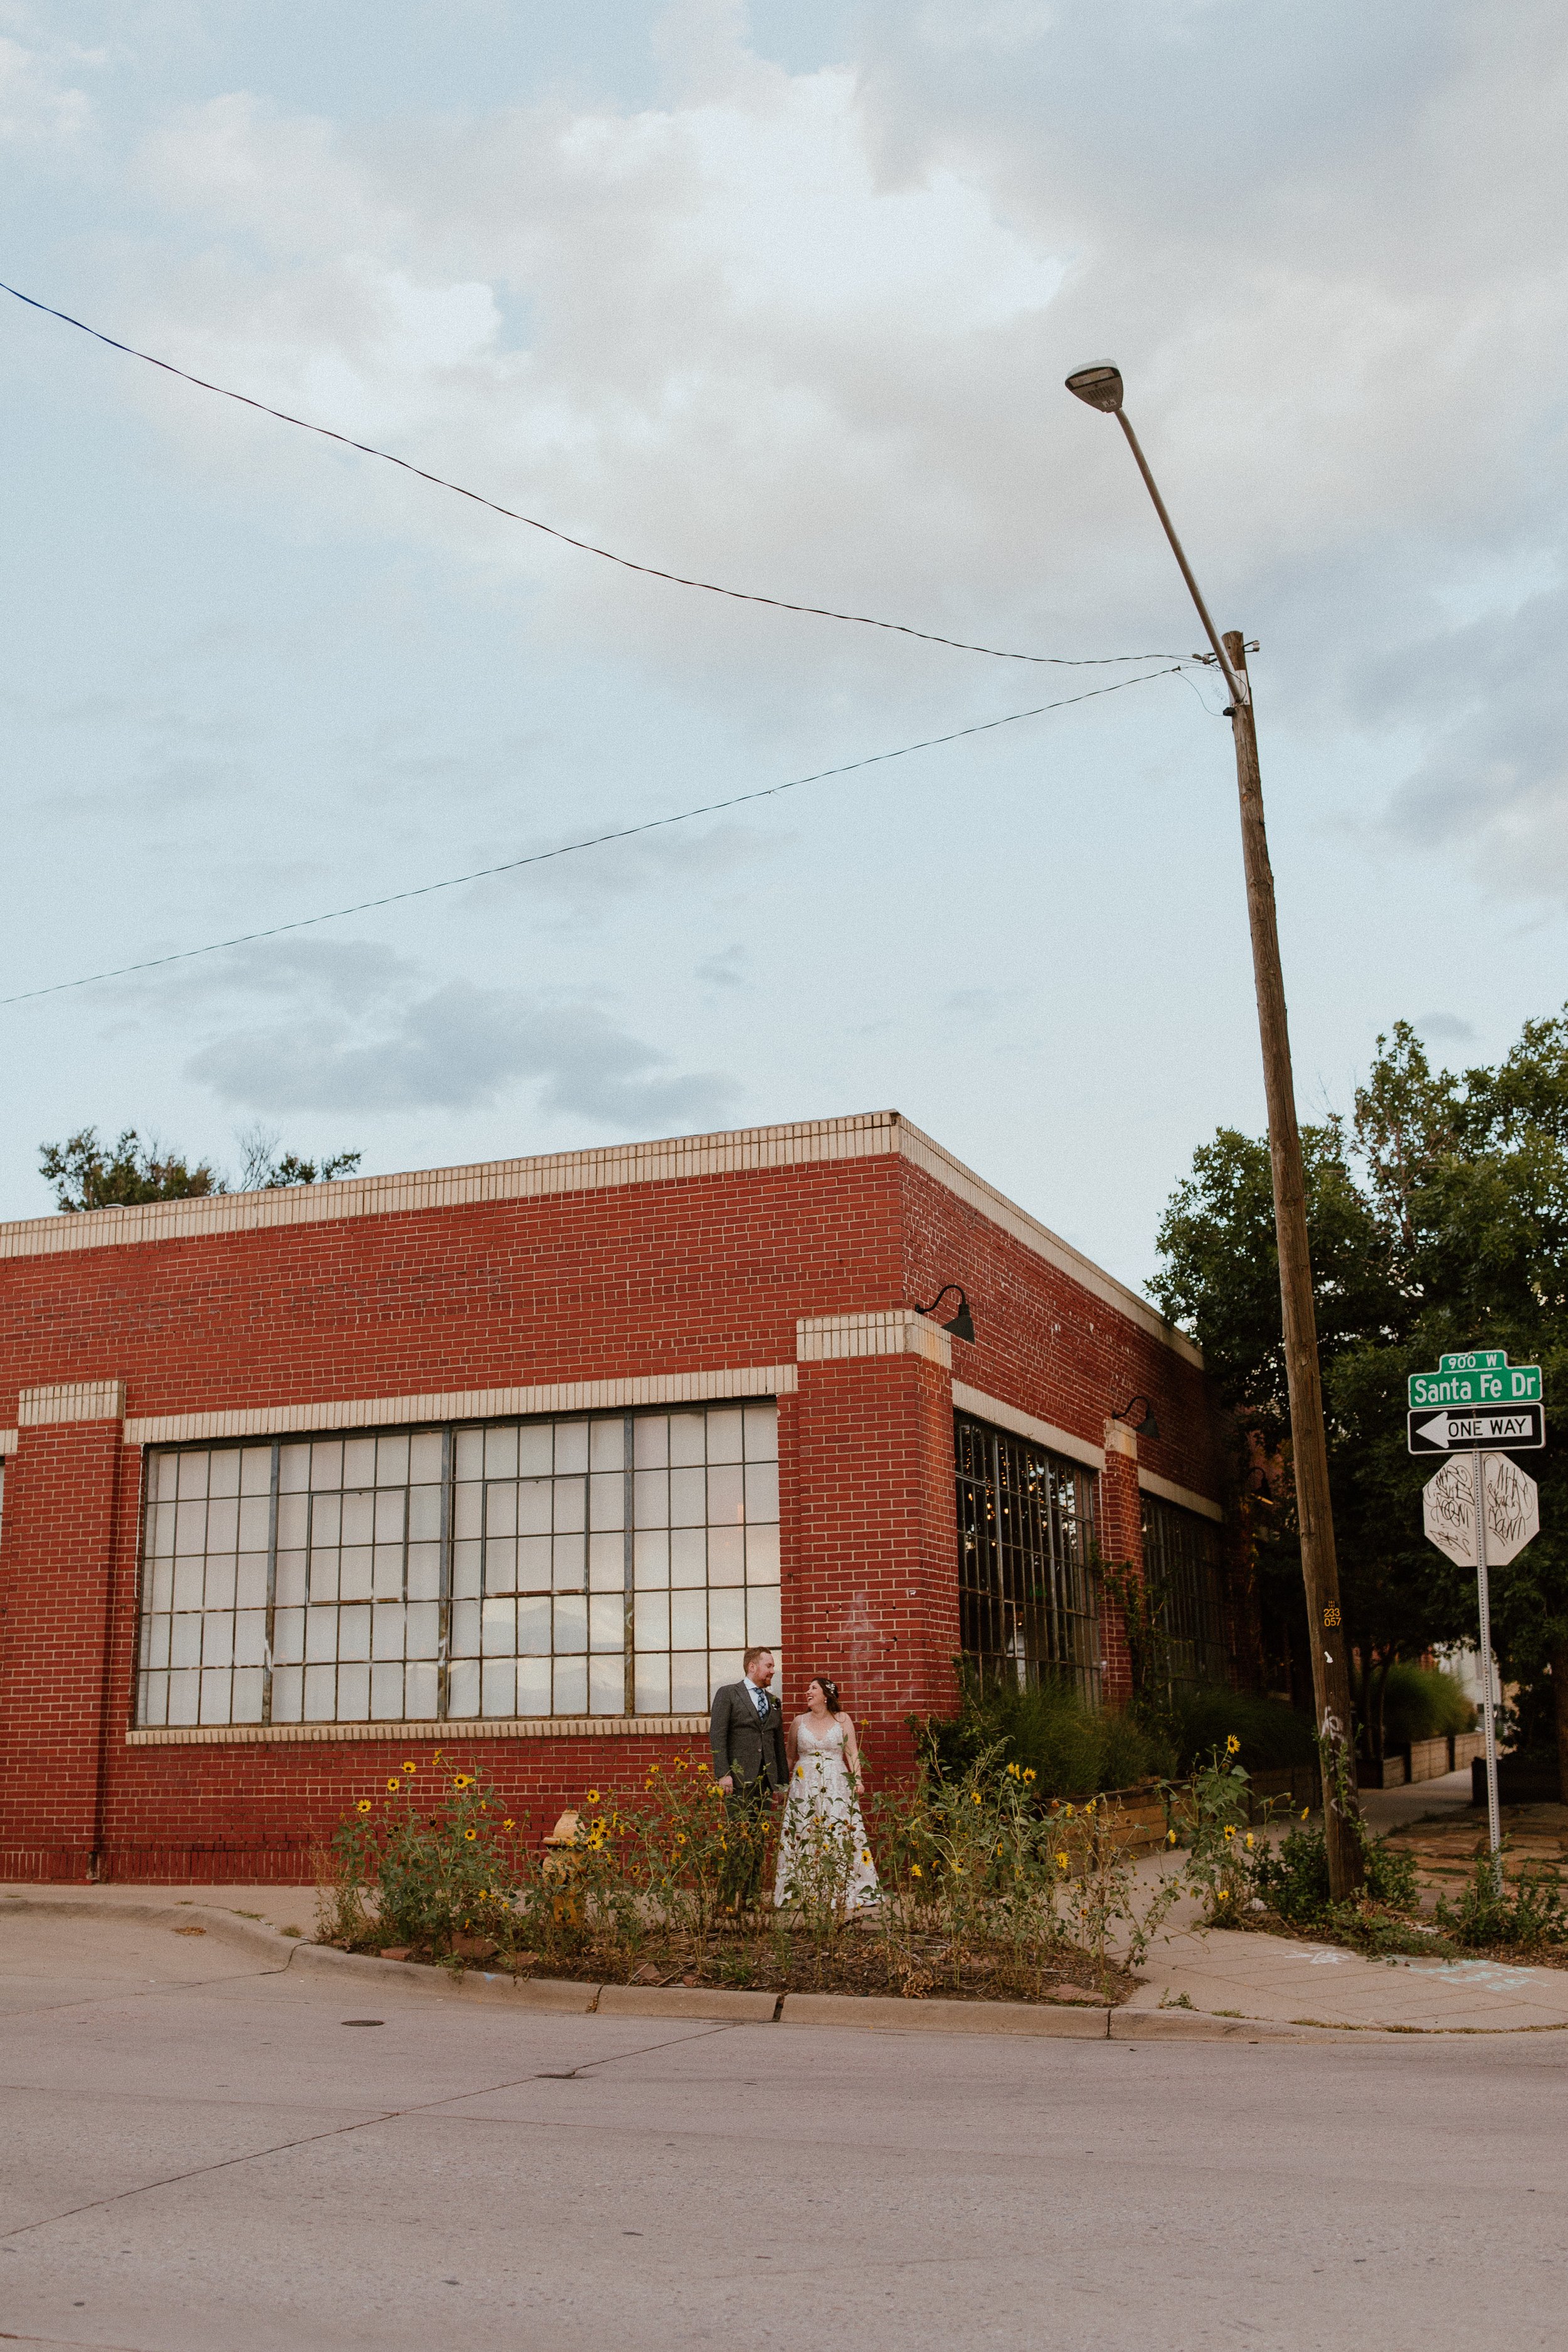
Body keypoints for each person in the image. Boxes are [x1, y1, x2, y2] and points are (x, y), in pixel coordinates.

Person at [773, 1675, 879, 1912]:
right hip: (804, 1784)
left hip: (836, 1784)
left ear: (826, 1695)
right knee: (805, 1831)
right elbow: (789, 1757)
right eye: (808, 1688)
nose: (808, 1692)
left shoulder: (842, 1719)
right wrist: (781, 1788)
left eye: (813, 1688)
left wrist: (858, 1779)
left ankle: (845, 1890)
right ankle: (801, 1893)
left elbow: (852, 1753)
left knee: (840, 1831)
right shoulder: (799, 1722)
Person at [709, 1646, 790, 1909]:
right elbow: (718, 1736)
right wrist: (723, 1774)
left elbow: (778, 1744)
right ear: (752, 1667)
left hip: (764, 1781)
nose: (772, 1671)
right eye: (768, 1666)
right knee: (738, 1838)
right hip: (739, 1780)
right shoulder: (728, 1694)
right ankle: (726, 1901)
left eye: (773, 1666)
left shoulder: (774, 1701)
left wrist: (781, 1783)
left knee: (757, 1839)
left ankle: (751, 1898)